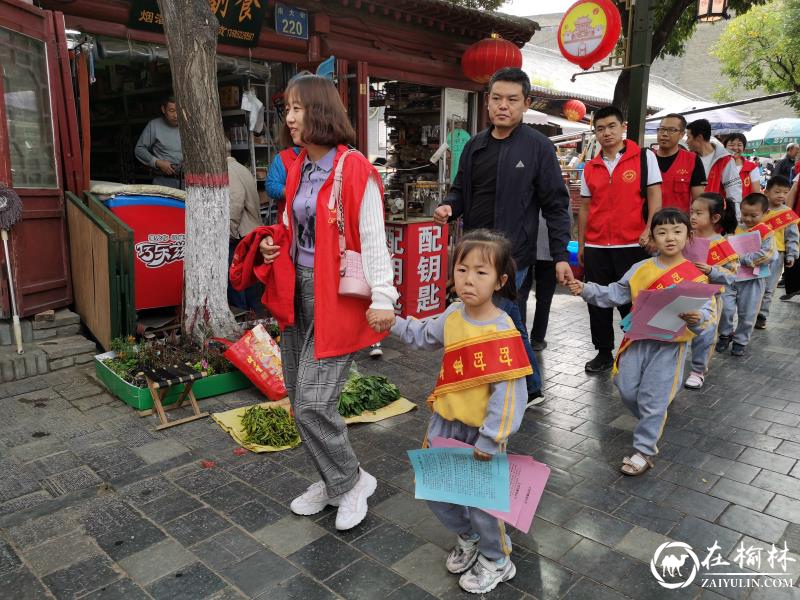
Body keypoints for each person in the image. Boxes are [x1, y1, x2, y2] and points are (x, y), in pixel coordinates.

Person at [257, 74, 397, 531]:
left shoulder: (355, 167)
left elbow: (374, 237)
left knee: (316, 402)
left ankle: (352, 481)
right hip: (296, 287)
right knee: (299, 401)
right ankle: (333, 480)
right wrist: (271, 248)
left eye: (298, 108)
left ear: (320, 111)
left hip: (336, 294)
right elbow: (288, 224)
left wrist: (385, 296)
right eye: (288, 109)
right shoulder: (297, 165)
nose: (290, 118)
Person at [392, 230, 529, 594]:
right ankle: (467, 537)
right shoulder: (453, 315)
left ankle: (497, 559)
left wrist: (491, 437)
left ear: (500, 281)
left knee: (484, 504)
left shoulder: (503, 330)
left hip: (483, 434)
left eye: (481, 273)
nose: (469, 279)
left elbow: (511, 394)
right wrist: (391, 322)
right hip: (445, 424)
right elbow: (421, 335)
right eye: (462, 269)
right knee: (436, 489)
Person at [433, 67, 572, 400]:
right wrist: (450, 206)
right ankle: (525, 385)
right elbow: (460, 192)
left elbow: (555, 205)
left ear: (526, 103)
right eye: (497, 99)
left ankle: (522, 386)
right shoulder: (475, 146)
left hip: (513, 255)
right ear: (487, 102)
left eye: (512, 100)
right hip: (475, 252)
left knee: (496, 312)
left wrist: (559, 256)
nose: (503, 106)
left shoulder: (538, 148)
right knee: (506, 317)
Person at [568, 209, 713, 476]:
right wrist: (586, 288)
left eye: (677, 231)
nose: (670, 237)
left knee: (653, 399)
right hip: (637, 340)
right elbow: (616, 292)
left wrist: (696, 317)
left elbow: (707, 313)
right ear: (652, 238)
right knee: (626, 388)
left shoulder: (695, 275)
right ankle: (651, 417)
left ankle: (645, 450)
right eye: (662, 232)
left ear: (688, 236)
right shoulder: (640, 269)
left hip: (670, 346)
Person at [578, 105, 662, 373]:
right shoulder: (590, 166)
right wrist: (581, 244)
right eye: (600, 129)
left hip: (632, 244)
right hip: (596, 245)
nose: (606, 133)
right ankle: (603, 352)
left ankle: (636, 348)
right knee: (596, 301)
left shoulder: (644, 157)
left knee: (633, 299)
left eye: (611, 126)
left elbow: (654, 197)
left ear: (622, 127)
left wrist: (650, 229)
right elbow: (585, 207)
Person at [684, 193, 739, 389]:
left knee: (705, 334)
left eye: (699, 213)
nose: (692, 217)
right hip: (681, 294)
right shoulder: (684, 236)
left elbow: (733, 274)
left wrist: (711, 271)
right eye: (691, 212)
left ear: (715, 218)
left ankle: (698, 371)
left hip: (710, 298)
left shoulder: (721, 243)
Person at [715, 193, 776, 357]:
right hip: (731, 277)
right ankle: (725, 335)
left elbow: (768, 254)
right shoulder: (733, 227)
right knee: (725, 308)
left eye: (753, 215)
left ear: (765, 213)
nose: (748, 219)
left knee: (748, 313)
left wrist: (742, 259)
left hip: (753, 279)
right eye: (745, 214)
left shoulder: (766, 232)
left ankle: (741, 340)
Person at [755, 176, 799, 328]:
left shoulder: (787, 213)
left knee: (769, 288)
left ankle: (762, 315)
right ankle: (750, 312)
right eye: (777, 192)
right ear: (767, 192)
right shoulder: (759, 209)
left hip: (777, 255)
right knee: (755, 286)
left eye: (785, 192)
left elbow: (792, 236)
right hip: (757, 255)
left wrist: (792, 254)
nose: (781, 195)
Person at [226, 141, 264, 312]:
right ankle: (253, 316)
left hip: (240, 232)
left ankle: (241, 314)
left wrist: (230, 231)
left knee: (236, 278)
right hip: (250, 230)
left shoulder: (228, 170)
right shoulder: (241, 168)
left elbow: (235, 199)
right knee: (248, 278)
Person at [517, 213, 561, 352]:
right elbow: (565, 219)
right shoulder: (560, 190)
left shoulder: (522, 190)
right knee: (544, 298)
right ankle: (537, 339)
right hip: (550, 250)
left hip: (524, 247)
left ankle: (519, 336)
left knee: (520, 295)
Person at [686, 119, 742, 217]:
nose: (686, 141)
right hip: (692, 217)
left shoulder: (725, 160)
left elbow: (734, 193)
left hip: (714, 218)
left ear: (699, 138)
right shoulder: (688, 159)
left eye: (688, 137)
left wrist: (734, 219)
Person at [654, 113, 707, 212]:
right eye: (662, 129)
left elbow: (699, 200)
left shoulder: (692, 160)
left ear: (682, 135)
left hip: (678, 225)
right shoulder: (646, 159)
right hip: (649, 224)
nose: (665, 134)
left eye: (671, 130)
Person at [134, 95, 183, 188]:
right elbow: (139, 149)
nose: (176, 115)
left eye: (178, 110)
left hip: (188, 181)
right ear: (163, 109)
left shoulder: (189, 125)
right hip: (163, 181)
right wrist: (158, 163)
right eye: (171, 111)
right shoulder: (154, 125)